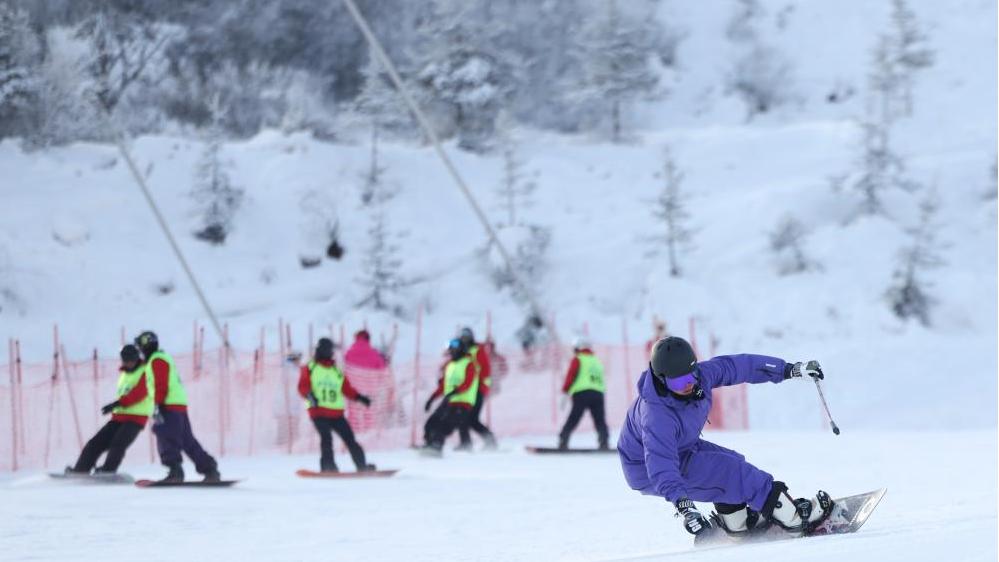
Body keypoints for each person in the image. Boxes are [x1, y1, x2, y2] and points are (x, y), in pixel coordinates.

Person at [617, 336, 834, 540]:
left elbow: (740, 366)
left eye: (691, 376)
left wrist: (789, 370)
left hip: (682, 447)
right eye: (678, 382)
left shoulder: (702, 377)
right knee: (733, 472)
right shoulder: (657, 415)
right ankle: (795, 520)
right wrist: (685, 506)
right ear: (662, 380)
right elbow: (661, 465)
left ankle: (737, 524)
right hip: (647, 467)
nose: (688, 385)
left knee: (732, 460)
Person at [135, 330, 220, 483]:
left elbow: (161, 384)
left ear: (145, 347)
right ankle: (209, 469)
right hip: (177, 405)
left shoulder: (156, 360)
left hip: (167, 405)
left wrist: (157, 405)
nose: (140, 352)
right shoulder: (162, 358)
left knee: (165, 435)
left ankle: (175, 471)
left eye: (140, 347)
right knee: (186, 440)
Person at [66, 344, 151, 475]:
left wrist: (116, 404)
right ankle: (80, 469)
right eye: (126, 360)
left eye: (131, 360)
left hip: (136, 418)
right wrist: (115, 406)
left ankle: (108, 470)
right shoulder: (124, 374)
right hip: (118, 417)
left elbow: (138, 394)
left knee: (118, 444)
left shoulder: (145, 371)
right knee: (95, 443)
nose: (129, 363)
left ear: (137, 357)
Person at [297, 337, 376, 472]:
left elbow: (347, 389)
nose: (329, 352)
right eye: (326, 349)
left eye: (330, 350)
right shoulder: (310, 368)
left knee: (350, 439)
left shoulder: (337, 371)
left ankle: (362, 466)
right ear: (319, 350)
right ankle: (328, 467)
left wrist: (360, 398)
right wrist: (310, 397)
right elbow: (302, 387)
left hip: (336, 413)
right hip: (318, 412)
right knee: (326, 439)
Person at [421, 338, 477, 456]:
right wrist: (431, 399)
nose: (451, 351)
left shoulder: (469, 364)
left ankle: (436, 447)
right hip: (449, 401)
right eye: (450, 349)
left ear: (461, 349)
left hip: (462, 403)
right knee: (431, 422)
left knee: (444, 425)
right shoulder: (450, 365)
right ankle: (429, 444)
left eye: (454, 348)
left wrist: (456, 391)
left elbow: (468, 383)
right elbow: (443, 386)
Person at [558, 337, 609, 450]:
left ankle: (563, 440)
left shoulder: (578, 359)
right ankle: (604, 442)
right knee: (600, 419)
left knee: (574, 417)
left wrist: (565, 392)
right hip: (598, 394)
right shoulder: (596, 361)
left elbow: (571, 375)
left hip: (582, 393)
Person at [456, 327, 497, 450]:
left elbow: (485, 369)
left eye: (467, 337)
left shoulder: (477, 350)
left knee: (470, 418)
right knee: (462, 417)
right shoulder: (460, 351)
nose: (465, 339)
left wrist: (482, 387)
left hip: (477, 389)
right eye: (463, 337)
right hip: (465, 390)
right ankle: (466, 443)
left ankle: (488, 440)